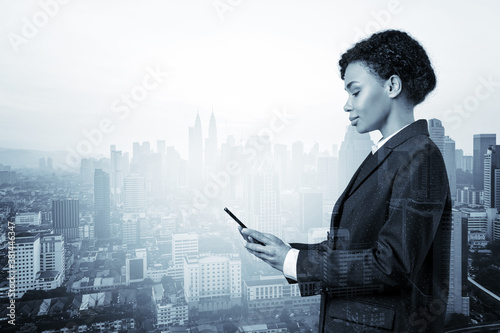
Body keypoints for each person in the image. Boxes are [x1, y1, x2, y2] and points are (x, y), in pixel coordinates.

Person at [239, 29, 452, 332]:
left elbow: (391, 266)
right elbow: (353, 243)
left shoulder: (420, 156)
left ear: (392, 85)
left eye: (355, 91)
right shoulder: (389, 155)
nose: (347, 105)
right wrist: (287, 252)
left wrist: (295, 262)